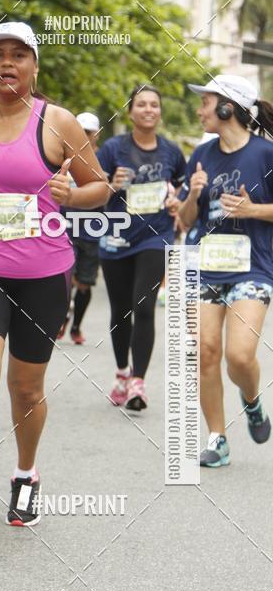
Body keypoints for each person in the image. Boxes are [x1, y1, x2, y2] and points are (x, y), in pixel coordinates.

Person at [0, 21, 108, 537]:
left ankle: (26, 475)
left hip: (44, 274)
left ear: (34, 66)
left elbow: (97, 186)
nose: (7, 64)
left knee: (26, 388)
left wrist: (72, 197)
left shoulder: (57, 124)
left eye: (18, 55)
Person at [178, 74, 273, 467]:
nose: (200, 110)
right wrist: (195, 193)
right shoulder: (200, 155)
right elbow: (183, 220)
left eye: (207, 102)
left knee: (238, 355)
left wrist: (252, 210)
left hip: (253, 267)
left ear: (226, 107)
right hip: (205, 265)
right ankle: (217, 438)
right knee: (205, 351)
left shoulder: (266, 155)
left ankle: (251, 400)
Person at [97, 84, 186, 411]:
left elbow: (183, 185)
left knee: (143, 307)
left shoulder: (172, 152)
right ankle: (122, 372)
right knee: (120, 310)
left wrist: (178, 199)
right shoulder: (111, 149)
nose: (149, 109)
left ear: (159, 112)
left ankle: (138, 382)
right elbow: (90, 192)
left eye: (154, 105)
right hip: (116, 236)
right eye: (142, 104)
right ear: (130, 111)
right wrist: (111, 185)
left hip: (155, 236)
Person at [58, 111, 102, 344]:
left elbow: (110, 193)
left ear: (95, 135)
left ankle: (75, 326)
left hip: (93, 230)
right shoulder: (62, 156)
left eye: (87, 132)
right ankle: (61, 318)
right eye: (80, 131)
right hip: (64, 229)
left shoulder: (103, 159)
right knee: (64, 278)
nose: (83, 136)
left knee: (84, 283)